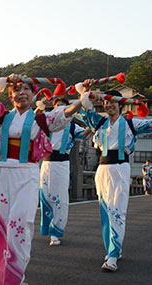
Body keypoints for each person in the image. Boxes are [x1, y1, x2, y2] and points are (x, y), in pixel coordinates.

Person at [0, 74, 82, 285]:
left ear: (33, 94)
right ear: (10, 96)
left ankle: (14, 276)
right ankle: (6, 278)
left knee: (20, 224)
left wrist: (83, 99)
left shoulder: (40, 119)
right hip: (2, 174)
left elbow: (66, 112)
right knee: (0, 228)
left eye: (26, 89)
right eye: (17, 90)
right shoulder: (2, 116)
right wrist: (1, 83)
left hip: (27, 174)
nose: (22, 93)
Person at [79, 79, 152, 272]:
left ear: (120, 105)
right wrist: (86, 90)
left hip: (120, 168)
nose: (109, 105)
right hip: (102, 171)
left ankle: (112, 255)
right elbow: (84, 109)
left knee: (117, 211)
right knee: (105, 213)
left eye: (113, 103)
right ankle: (113, 248)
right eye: (106, 103)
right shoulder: (99, 122)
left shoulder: (129, 123)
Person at [36, 96, 90, 246]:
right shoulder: (47, 124)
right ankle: (47, 227)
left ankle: (56, 230)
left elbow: (84, 133)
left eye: (63, 107)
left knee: (60, 197)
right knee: (45, 196)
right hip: (46, 163)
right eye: (56, 106)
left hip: (62, 163)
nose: (59, 109)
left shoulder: (72, 127)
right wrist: (39, 107)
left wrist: (93, 124)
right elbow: (31, 124)